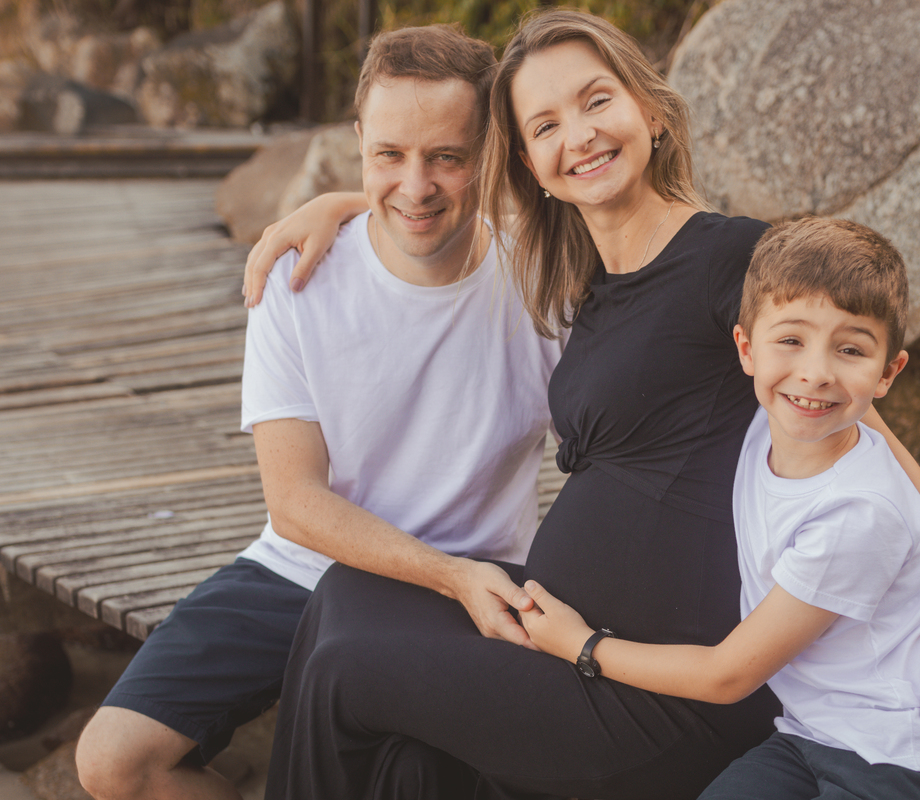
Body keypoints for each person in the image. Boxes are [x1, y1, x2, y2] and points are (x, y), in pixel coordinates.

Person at [254, 10, 920, 799]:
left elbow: (870, 436)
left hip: (657, 693)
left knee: (345, 670)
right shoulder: (585, 283)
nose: (578, 135)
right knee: (350, 601)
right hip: (576, 644)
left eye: (595, 101)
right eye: (545, 124)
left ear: (649, 110)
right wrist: (343, 203)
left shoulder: (728, 258)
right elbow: (431, 200)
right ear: (531, 163)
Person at [74, 25, 562, 800]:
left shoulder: (541, 285)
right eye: (389, 155)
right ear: (358, 139)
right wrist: (447, 576)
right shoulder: (299, 277)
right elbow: (296, 504)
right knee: (111, 762)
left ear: (492, 150)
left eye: (447, 157)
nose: (415, 185)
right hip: (308, 569)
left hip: (482, 577)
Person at [520, 216, 920, 800]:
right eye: (790, 340)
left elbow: (728, 675)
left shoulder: (859, 514)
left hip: (901, 762)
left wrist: (581, 645)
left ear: (889, 372)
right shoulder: (766, 426)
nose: (814, 372)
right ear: (744, 348)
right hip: (807, 738)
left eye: (850, 349)